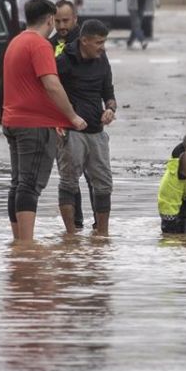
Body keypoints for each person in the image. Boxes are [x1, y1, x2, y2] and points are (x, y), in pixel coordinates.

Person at [1, 0, 88, 242]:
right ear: (50, 19)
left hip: (12, 122)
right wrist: (71, 115)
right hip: (33, 126)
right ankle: (26, 246)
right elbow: (51, 84)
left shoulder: (15, 42)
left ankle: (18, 243)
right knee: (30, 185)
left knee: (18, 183)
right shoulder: (40, 45)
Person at [56, 19, 117, 235]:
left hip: (97, 132)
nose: (103, 47)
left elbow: (108, 93)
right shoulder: (64, 61)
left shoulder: (102, 59)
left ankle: (103, 234)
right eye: (99, 42)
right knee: (69, 182)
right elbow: (49, 91)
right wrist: (57, 120)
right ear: (84, 41)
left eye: (104, 42)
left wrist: (110, 109)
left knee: (104, 184)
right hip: (71, 132)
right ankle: (71, 235)